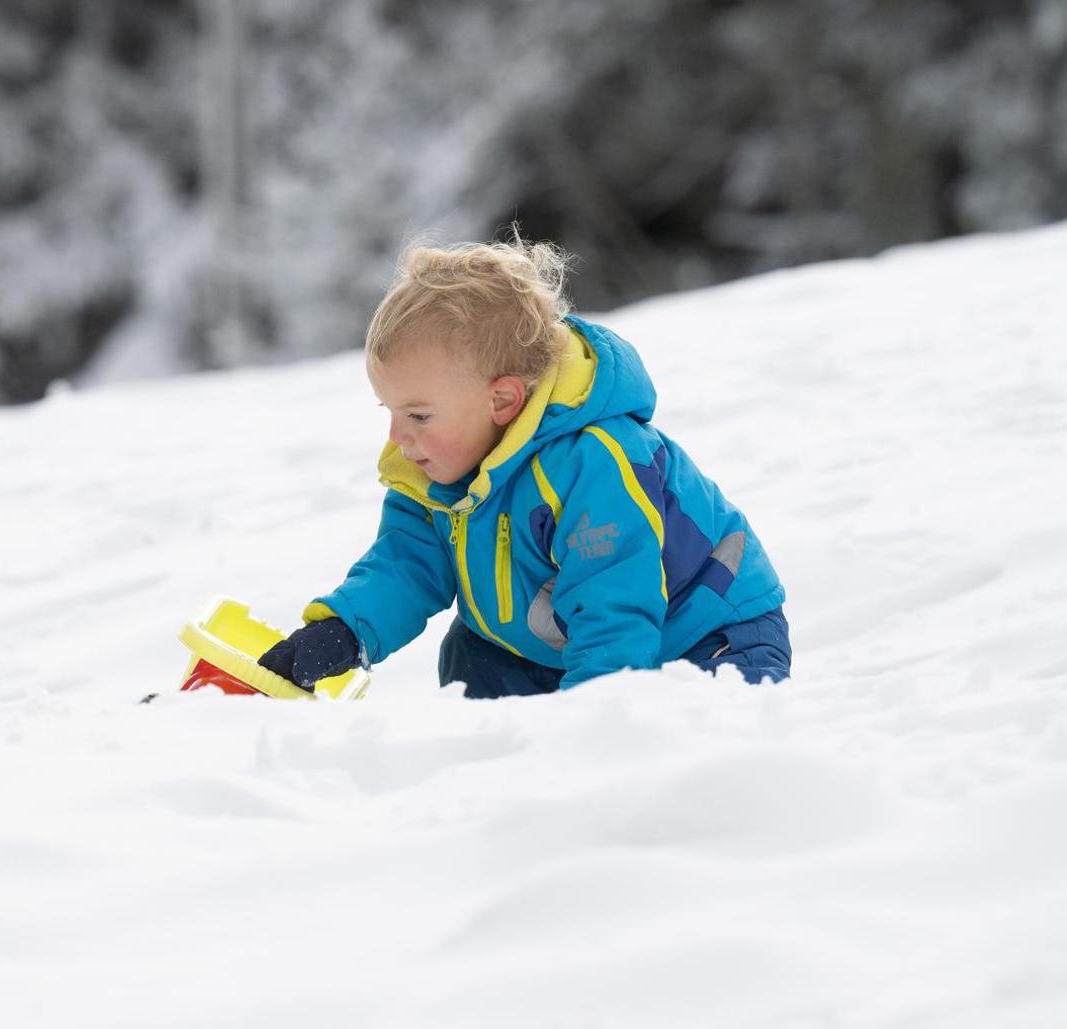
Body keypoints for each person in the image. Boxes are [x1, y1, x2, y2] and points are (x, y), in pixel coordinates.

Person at [258, 233, 789, 699]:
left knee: (691, 742)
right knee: (472, 656)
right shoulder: (434, 470)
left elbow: (614, 610)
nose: (399, 438)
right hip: (555, 643)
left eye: (418, 414)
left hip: (708, 639)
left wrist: (595, 721)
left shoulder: (592, 463)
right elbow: (408, 563)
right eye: (392, 413)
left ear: (503, 401)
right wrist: (343, 632)